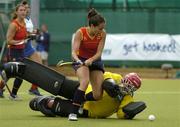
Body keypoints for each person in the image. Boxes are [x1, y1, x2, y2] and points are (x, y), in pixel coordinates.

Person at [29, 72, 146, 119]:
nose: (127, 88)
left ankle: (46, 101)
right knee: (61, 84)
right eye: (128, 84)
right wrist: (109, 83)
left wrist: (130, 113)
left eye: (131, 88)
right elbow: (104, 76)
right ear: (124, 80)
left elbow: (120, 115)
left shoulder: (127, 98)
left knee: (51, 105)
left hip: (87, 111)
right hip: (83, 91)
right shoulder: (116, 78)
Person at [70, 8, 106, 120]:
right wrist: (77, 60)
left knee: (97, 95)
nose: (102, 30)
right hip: (80, 60)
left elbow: (99, 53)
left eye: (103, 28)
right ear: (92, 26)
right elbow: (74, 52)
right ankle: (73, 113)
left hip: (95, 61)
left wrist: (91, 59)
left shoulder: (102, 34)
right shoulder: (80, 33)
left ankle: (82, 100)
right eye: (100, 28)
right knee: (84, 82)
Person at [1, 4, 27, 100]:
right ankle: (13, 95)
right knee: (18, 72)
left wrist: (31, 35)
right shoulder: (13, 25)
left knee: (13, 74)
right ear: (16, 12)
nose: (23, 12)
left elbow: (24, 37)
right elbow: (8, 40)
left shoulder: (24, 23)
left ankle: (3, 90)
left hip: (22, 51)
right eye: (21, 10)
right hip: (13, 52)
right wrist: (21, 41)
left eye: (24, 10)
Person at [21, 0, 42, 96]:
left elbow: (29, 31)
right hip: (20, 47)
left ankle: (34, 88)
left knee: (39, 65)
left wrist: (35, 32)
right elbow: (22, 33)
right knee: (13, 71)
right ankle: (0, 87)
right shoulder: (19, 20)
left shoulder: (29, 18)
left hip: (28, 46)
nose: (27, 9)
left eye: (28, 7)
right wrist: (31, 35)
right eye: (24, 8)